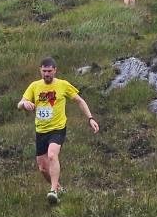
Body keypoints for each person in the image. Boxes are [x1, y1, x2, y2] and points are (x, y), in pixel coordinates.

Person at [17, 58, 99, 205]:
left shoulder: (63, 85)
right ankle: (59, 189)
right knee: (42, 168)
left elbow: (80, 101)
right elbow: (19, 103)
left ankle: (53, 191)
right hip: (41, 130)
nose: (46, 74)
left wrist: (90, 118)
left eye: (49, 71)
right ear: (40, 70)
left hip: (57, 128)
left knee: (52, 155)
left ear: (55, 70)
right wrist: (25, 104)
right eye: (44, 71)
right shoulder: (34, 86)